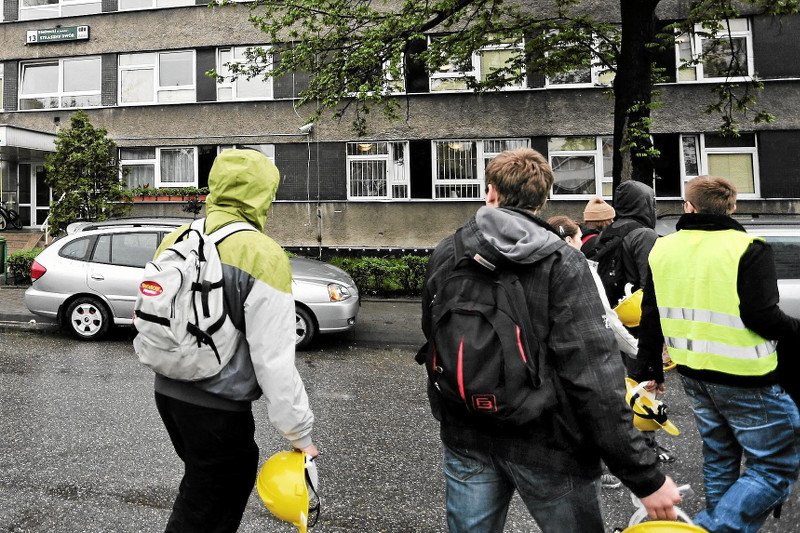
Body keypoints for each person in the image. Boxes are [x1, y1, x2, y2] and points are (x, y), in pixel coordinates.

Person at [420, 148, 680, 532]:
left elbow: (434, 334)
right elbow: (595, 378)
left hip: (467, 432)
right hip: (549, 444)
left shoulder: (449, 250)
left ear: (490, 193)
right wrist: (645, 477)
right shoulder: (561, 262)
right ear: (543, 200)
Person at [152, 149, 318, 532]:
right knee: (207, 508)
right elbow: (274, 359)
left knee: (203, 486)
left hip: (168, 393)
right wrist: (300, 435)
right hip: (218, 407)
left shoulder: (178, 238)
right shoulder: (261, 253)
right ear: (263, 195)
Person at [632, 175, 800, 533]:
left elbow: (651, 312)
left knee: (720, 456)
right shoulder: (749, 247)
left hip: (694, 373)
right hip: (748, 376)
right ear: (733, 206)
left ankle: (716, 524)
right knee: (774, 466)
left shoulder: (663, 248)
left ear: (687, 206)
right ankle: (710, 528)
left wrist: (650, 367)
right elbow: (763, 317)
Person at [591, 180, 673, 463]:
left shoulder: (608, 232)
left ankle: (618, 446)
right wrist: (659, 337)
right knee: (644, 384)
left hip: (608, 319)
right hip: (637, 323)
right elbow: (652, 285)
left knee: (617, 388)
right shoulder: (644, 235)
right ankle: (645, 448)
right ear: (645, 204)